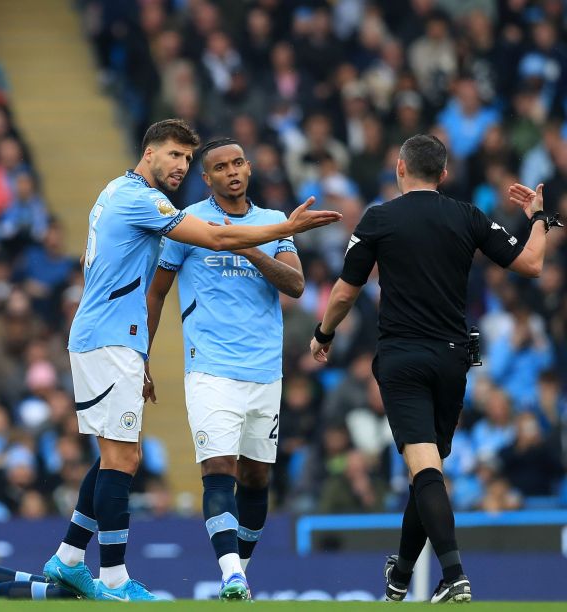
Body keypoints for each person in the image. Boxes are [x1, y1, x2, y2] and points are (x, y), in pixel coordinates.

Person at [44, 118, 341, 602]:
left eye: (187, 157)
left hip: (126, 339)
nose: (181, 166)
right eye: (176, 156)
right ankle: (115, 581)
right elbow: (211, 245)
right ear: (150, 153)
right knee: (124, 457)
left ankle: (70, 557)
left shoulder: (121, 193)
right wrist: (287, 227)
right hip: (118, 340)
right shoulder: (146, 199)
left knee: (120, 456)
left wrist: (140, 349)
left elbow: (293, 284)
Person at [309, 134, 559, 603]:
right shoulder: (466, 215)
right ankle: (402, 575)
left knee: (425, 471)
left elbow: (344, 292)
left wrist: (324, 334)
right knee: (427, 471)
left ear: (400, 168)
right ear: (443, 174)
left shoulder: (379, 218)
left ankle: (455, 575)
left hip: (402, 358)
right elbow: (531, 263)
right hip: (452, 359)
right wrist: (540, 218)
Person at [145, 138, 305, 600]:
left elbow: (295, 283)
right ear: (207, 177)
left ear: (249, 169)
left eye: (238, 163)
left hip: (265, 371)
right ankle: (231, 572)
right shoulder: (189, 223)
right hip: (210, 368)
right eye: (221, 167)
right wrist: (143, 356)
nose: (232, 171)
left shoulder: (274, 223)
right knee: (219, 468)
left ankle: (242, 576)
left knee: (256, 478)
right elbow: (156, 293)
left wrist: (250, 246)